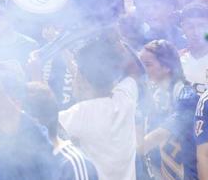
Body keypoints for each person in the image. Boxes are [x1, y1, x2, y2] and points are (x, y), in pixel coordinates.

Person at [59, 39, 138, 180]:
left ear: (83, 79)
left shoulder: (80, 114)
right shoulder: (126, 98)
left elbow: (45, 129)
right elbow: (133, 68)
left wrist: (36, 76)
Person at [138, 39, 199, 179]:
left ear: (167, 67)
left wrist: (130, 150)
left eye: (147, 64)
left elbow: (161, 134)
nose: (142, 70)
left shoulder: (187, 96)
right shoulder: (155, 95)